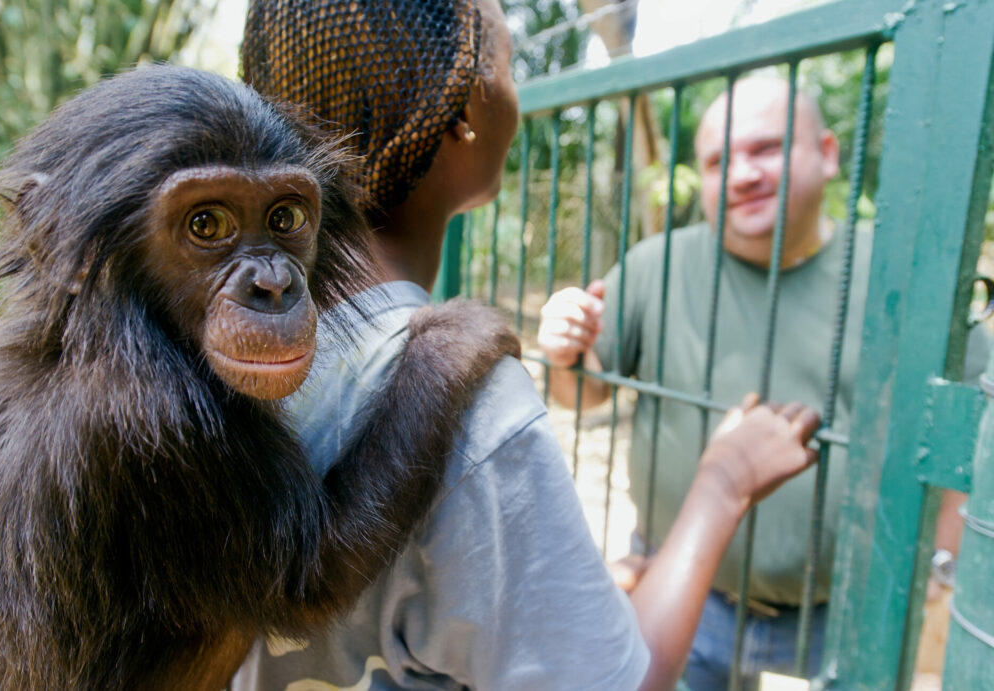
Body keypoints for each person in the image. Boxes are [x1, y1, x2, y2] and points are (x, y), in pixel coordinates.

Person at [233, 5, 819, 690]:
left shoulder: (239, 335)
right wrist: (723, 483)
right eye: (507, 66)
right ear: (466, 112)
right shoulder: (464, 403)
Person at [538, 77, 990, 689]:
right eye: (718, 160)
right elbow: (584, 395)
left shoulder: (898, 273)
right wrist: (566, 353)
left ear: (828, 154)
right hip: (682, 589)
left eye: (766, 149)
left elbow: (970, 436)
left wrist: (939, 568)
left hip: (851, 611)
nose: (741, 174)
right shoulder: (655, 264)